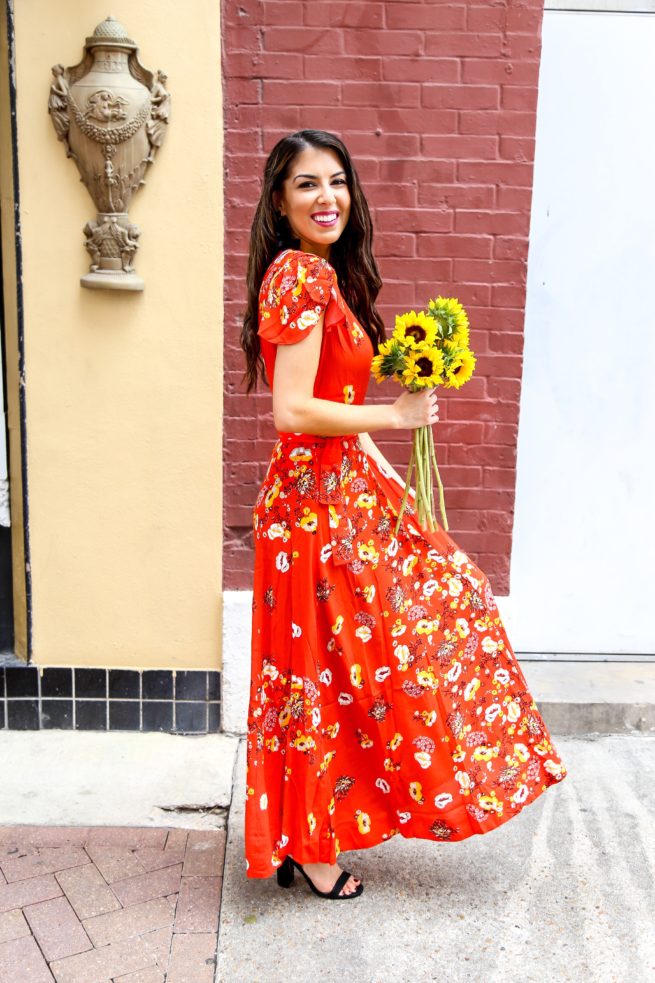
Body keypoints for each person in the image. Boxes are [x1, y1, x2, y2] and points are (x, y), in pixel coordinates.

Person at [239, 129, 567, 901]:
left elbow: (334, 407)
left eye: (337, 182)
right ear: (281, 205)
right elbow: (291, 408)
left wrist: (389, 471)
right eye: (307, 185)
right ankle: (311, 848)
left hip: (339, 496)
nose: (327, 198)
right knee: (323, 676)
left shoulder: (329, 279)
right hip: (309, 518)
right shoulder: (298, 276)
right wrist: (395, 416)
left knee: (441, 601)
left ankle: (308, 830)